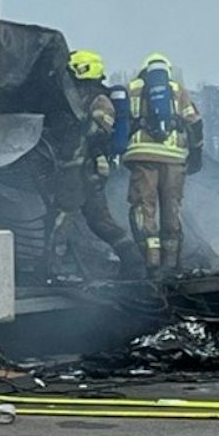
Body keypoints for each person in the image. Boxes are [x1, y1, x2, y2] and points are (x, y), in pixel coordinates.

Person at [45, 49, 145, 279]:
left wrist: (71, 130)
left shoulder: (100, 100)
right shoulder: (74, 97)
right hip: (80, 167)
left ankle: (52, 269)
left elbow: (99, 132)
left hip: (82, 168)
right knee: (99, 220)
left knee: (63, 213)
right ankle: (134, 261)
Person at [123, 52, 203, 280]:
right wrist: (196, 155)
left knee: (144, 207)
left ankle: (151, 264)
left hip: (143, 157)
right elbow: (195, 122)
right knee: (172, 209)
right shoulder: (178, 90)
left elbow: (120, 121)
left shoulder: (132, 88)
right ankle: (171, 264)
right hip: (175, 158)